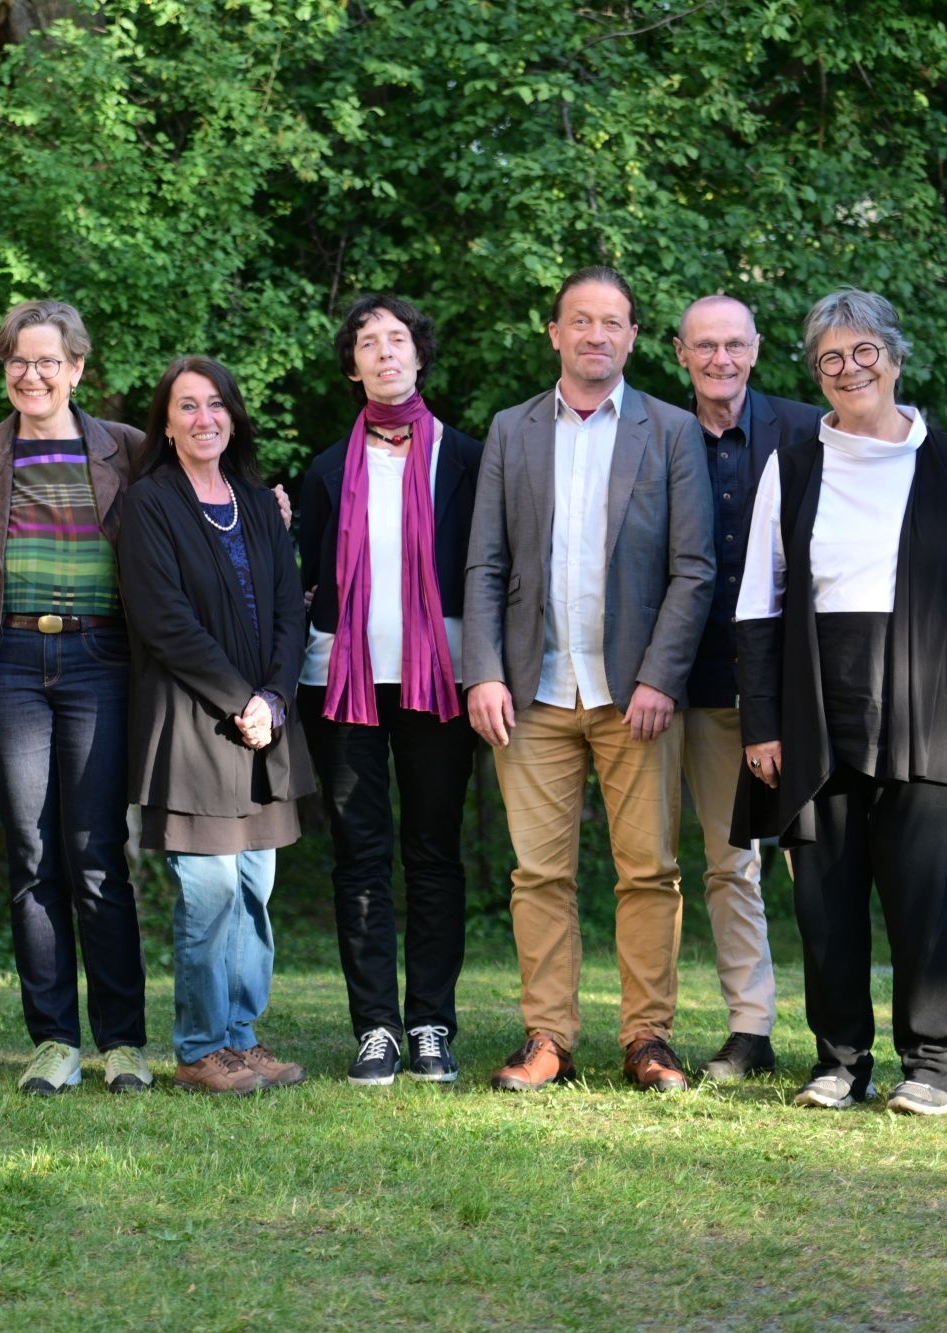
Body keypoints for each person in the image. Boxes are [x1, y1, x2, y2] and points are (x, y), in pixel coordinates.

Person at [734, 287, 947, 1117]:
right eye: (831, 357)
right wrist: (762, 723)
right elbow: (757, 604)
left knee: (926, 898)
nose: (850, 368)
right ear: (817, 373)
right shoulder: (790, 466)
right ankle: (839, 1062)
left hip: (931, 705)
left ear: (894, 358)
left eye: (865, 352)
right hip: (818, 712)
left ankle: (932, 1067)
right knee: (825, 899)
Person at [463, 266, 715, 1094]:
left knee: (647, 870)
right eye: (580, 320)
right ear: (555, 333)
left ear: (635, 337)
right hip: (531, 693)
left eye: (612, 322)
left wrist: (660, 677)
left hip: (633, 696)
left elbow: (693, 569)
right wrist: (485, 673)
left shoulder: (670, 430)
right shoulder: (512, 429)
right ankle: (549, 1040)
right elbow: (487, 561)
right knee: (538, 873)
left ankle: (648, 1037)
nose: (596, 334)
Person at [0, 299, 157, 1095]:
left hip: (103, 658)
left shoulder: (128, 450)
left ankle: (124, 1041)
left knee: (99, 854)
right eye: (17, 361)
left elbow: (184, 520)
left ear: (76, 369)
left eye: (46, 362)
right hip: (9, 666)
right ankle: (54, 1039)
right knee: (33, 855)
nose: (30, 375)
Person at [295, 294, 483, 1087]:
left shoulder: (466, 459)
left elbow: (487, 570)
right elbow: (302, 579)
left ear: (418, 354)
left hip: (439, 681)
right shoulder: (327, 467)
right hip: (343, 684)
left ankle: (431, 1021)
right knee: (359, 855)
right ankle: (375, 1024)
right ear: (353, 367)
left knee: (434, 853)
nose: (383, 352)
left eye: (396, 338)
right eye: (367, 342)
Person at [117, 357, 316, 1095]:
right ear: (166, 424)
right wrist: (243, 699)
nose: (205, 418)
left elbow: (292, 611)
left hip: (266, 730)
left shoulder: (260, 503)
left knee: (254, 892)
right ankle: (201, 1046)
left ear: (234, 416)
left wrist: (275, 698)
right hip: (193, 730)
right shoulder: (150, 505)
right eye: (188, 406)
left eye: (216, 405)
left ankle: (240, 1036)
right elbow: (164, 623)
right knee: (209, 895)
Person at [668, 294, 824, 1082]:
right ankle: (750, 1028)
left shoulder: (806, 429)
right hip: (700, 683)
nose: (720, 359)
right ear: (680, 353)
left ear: (757, 349)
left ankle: (840, 1034)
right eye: (705, 346)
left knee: (818, 858)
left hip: (801, 690)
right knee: (729, 862)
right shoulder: (658, 435)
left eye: (734, 344)